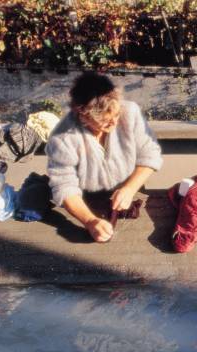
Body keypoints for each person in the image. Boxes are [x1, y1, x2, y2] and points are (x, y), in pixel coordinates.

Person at [46, 72, 163, 242]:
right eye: (105, 121)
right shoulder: (63, 138)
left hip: (129, 190)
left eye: (116, 115)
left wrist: (130, 189)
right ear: (83, 116)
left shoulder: (130, 111)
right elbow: (64, 186)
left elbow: (150, 154)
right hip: (85, 199)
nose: (115, 123)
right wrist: (90, 221)